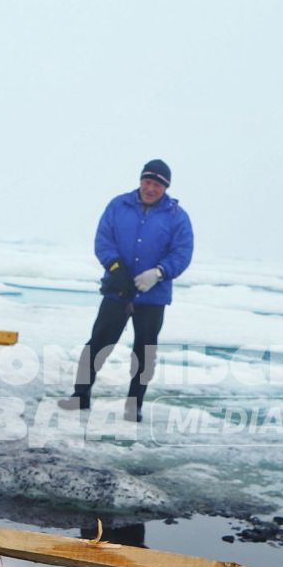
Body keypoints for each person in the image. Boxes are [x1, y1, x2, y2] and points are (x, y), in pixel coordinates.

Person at [58, 158, 194, 421]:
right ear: (140, 180)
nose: (150, 188)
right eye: (147, 181)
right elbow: (103, 239)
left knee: (144, 352)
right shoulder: (118, 205)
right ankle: (80, 396)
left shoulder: (178, 217)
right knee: (98, 344)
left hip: (153, 296)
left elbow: (183, 252)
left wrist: (160, 272)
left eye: (156, 184)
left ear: (165, 187)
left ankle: (134, 406)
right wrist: (116, 267)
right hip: (117, 292)